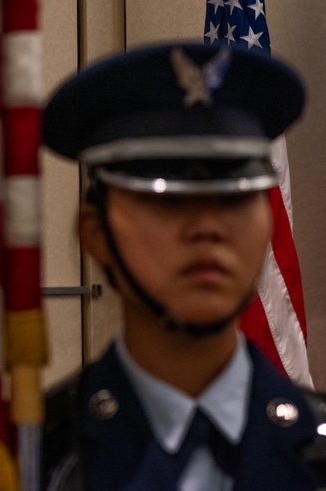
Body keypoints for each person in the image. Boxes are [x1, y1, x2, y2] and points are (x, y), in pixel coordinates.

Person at [40, 42, 326, 490]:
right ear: (95, 233)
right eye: (167, 199)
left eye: (237, 197)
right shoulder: (28, 461)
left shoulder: (317, 448)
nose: (208, 228)